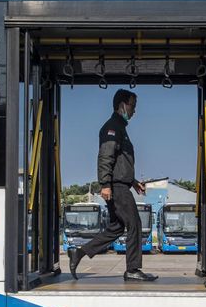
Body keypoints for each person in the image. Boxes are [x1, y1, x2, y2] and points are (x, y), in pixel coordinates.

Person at [68, 89, 158, 282]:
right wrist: (105, 184)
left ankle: (79, 253)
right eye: (133, 106)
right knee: (134, 223)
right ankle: (133, 269)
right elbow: (105, 157)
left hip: (120, 184)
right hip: (116, 187)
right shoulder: (112, 127)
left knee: (117, 227)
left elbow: (119, 162)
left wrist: (133, 182)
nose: (134, 111)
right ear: (122, 105)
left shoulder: (120, 127)